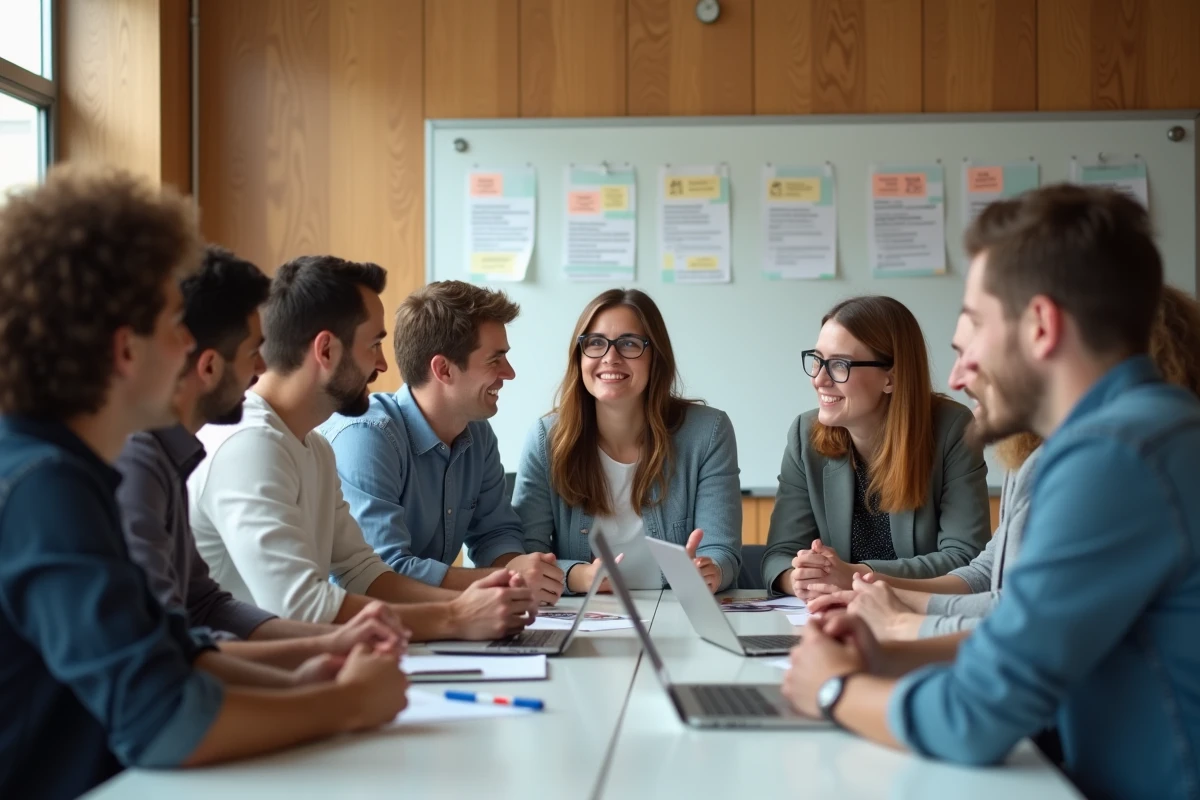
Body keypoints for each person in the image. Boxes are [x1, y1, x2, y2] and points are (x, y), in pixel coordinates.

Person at [0, 167, 408, 800]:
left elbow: (177, 647)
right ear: (124, 350)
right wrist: (348, 704)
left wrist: (316, 678)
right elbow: (165, 720)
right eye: (173, 323)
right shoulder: (45, 486)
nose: (191, 346)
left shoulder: (71, 469)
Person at [781, 185, 1200, 800]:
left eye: (974, 328)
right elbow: (1024, 639)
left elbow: (975, 718)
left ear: (1040, 326)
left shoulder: (1116, 457)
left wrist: (834, 688)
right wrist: (888, 655)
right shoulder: (1136, 434)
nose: (957, 373)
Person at [804, 285, 1200, 640]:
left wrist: (892, 624)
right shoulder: (1028, 453)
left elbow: (1025, 630)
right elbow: (987, 577)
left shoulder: (1101, 466)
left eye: (973, 355)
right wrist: (874, 596)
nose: (957, 377)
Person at [188, 255, 535, 641]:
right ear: (326, 351)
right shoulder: (249, 444)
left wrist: (470, 605)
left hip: (297, 667)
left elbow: (364, 573)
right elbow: (300, 606)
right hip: (243, 684)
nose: (384, 365)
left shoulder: (314, 447)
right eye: (374, 344)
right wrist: (453, 618)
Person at [116, 245, 410, 669]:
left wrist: (331, 651)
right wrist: (333, 694)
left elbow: (203, 609)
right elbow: (162, 662)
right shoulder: (214, 448)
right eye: (254, 351)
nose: (263, 368)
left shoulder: (171, 455)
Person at [320, 280, 564, 606]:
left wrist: (516, 565)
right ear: (444, 369)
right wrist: (509, 580)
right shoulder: (366, 437)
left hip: (423, 624)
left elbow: (494, 533)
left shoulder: (477, 434)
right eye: (495, 360)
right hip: (353, 631)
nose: (509, 373)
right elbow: (381, 573)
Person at [513, 288, 742, 595]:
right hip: (585, 615)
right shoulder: (546, 439)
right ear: (579, 356)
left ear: (655, 357)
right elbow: (528, 558)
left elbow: (722, 551)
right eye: (595, 343)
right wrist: (579, 577)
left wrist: (710, 571)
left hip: (677, 613)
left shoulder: (708, 432)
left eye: (629, 344)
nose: (610, 358)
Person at [760, 295, 991, 598]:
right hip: (840, 619)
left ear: (891, 378)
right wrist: (801, 577)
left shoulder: (952, 429)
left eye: (839, 364)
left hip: (924, 619)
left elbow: (966, 558)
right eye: (817, 360)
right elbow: (779, 555)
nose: (819, 379)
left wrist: (857, 575)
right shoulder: (805, 435)